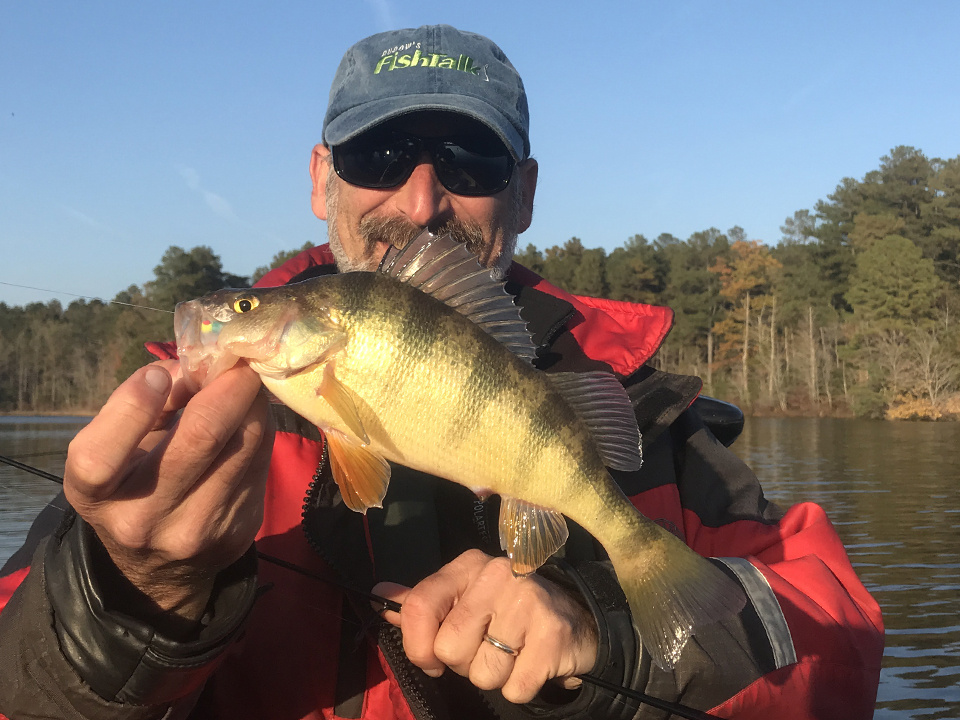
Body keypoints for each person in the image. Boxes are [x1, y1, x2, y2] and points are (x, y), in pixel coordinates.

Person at [0, 24, 883, 720]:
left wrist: (609, 637)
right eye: (377, 158)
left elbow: (838, 637)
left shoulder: (638, 400)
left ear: (523, 191)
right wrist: (129, 590)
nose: (421, 203)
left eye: (469, 163)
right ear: (321, 178)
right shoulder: (171, 443)